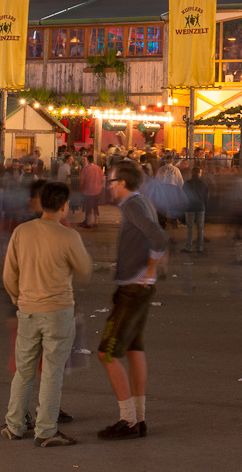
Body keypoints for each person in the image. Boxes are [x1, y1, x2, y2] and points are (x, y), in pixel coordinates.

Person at [2, 181, 91, 447]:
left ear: (41, 203)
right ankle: (46, 430)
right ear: (65, 205)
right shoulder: (68, 236)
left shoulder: (22, 232)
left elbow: (9, 274)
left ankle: (14, 424)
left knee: (24, 371)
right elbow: (84, 269)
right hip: (58, 311)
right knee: (52, 372)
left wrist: (20, 299)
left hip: (28, 310)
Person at [95, 160, 169, 440]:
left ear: (122, 183)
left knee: (107, 352)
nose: (109, 186)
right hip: (137, 287)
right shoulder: (141, 202)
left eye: (111, 181)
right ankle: (139, 417)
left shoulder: (134, 205)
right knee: (135, 350)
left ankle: (128, 421)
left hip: (132, 289)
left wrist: (149, 271)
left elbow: (159, 237)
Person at [182, 167, 208, 252]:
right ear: (199, 174)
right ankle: (199, 247)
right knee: (200, 228)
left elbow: (183, 195)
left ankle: (188, 247)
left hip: (189, 207)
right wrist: (203, 203)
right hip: (200, 207)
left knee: (190, 228)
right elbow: (206, 197)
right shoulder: (203, 184)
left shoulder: (187, 184)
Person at [78, 157, 103, 228]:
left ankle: (88, 222)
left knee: (88, 206)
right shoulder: (98, 168)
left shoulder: (85, 169)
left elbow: (82, 180)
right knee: (95, 206)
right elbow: (102, 179)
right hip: (97, 190)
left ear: (88, 161)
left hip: (88, 191)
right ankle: (96, 221)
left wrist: (81, 189)